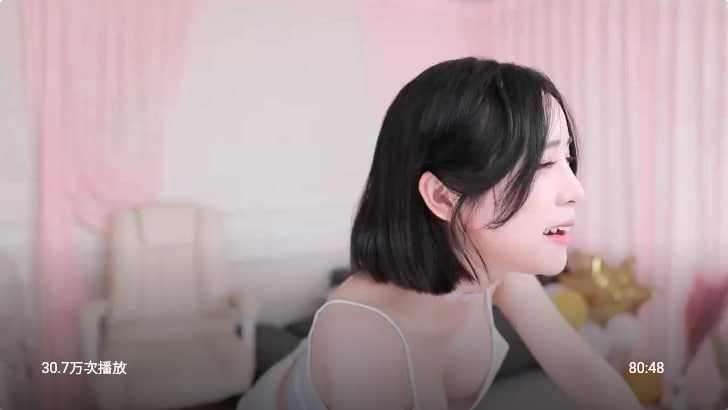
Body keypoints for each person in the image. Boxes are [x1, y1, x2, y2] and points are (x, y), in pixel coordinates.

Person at [237, 58, 642, 410]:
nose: (576, 190)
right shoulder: (361, 342)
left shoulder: (497, 271)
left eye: (567, 158)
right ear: (443, 197)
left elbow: (580, 369)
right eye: (541, 164)